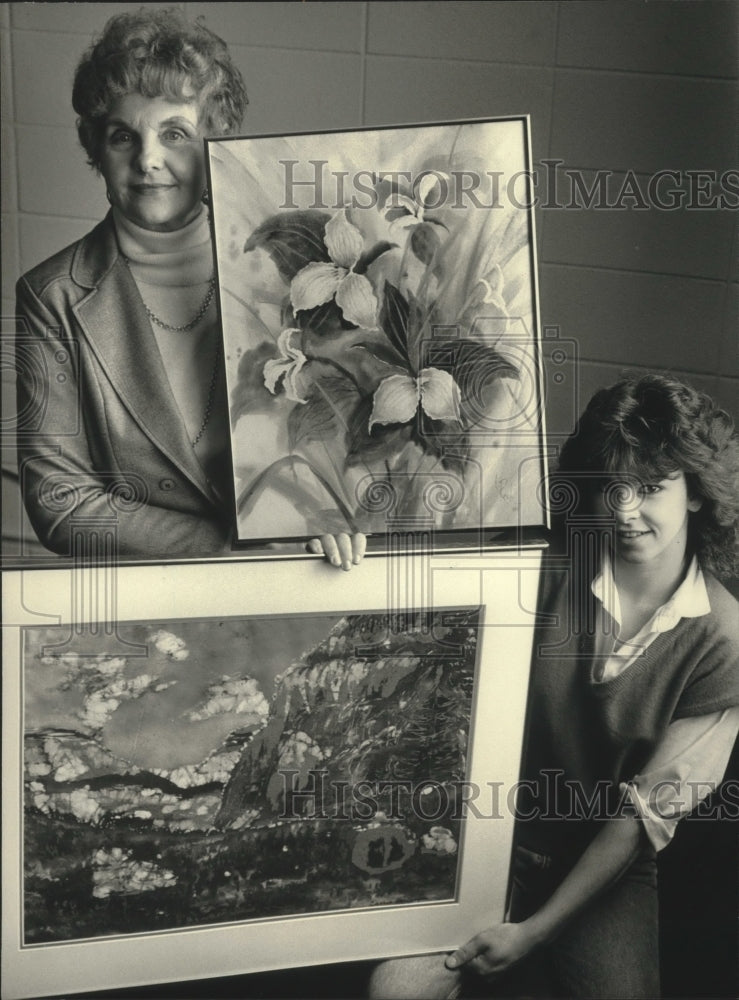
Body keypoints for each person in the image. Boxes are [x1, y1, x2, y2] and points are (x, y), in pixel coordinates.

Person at [369, 373, 739, 998]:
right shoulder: (540, 566)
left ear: (697, 493)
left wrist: (535, 932)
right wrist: (336, 546)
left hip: (603, 861)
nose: (624, 510)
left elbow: (637, 820)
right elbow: (408, 592)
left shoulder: (723, 641)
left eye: (650, 488)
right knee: (395, 990)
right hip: (481, 838)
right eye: (612, 487)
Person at [14, 7, 363, 569]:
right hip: (157, 592)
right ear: (96, 151)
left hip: (309, 573)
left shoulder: (295, 268)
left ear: (214, 143)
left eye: (174, 133)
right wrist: (234, 549)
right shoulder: (50, 296)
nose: (148, 160)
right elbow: (62, 503)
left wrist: (337, 515)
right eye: (123, 136)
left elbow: (345, 437)